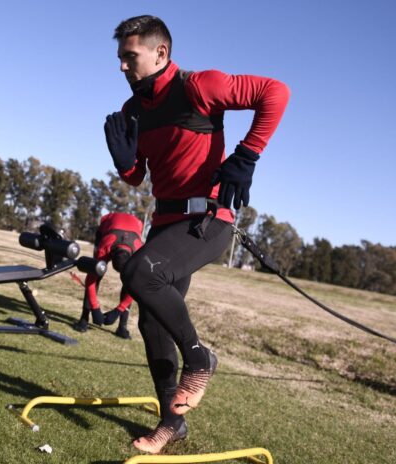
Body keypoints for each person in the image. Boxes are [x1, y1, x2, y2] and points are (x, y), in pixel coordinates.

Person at [104, 15, 290, 454]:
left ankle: (200, 357)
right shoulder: (133, 110)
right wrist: (123, 161)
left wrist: (248, 154)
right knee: (151, 319)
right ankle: (173, 423)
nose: (122, 68)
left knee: (139, 272)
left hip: (208, 220)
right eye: (120, 60)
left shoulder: (199, 86)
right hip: (167, 223)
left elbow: (275, 92)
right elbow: (137, 178)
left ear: (160, 53)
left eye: (130, 58)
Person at [73, 212, 144, 339]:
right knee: (96, 273)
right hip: (108, 225)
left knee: (130, 282)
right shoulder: (104, 248)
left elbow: (135, 286)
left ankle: (122, 327)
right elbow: (90, 280)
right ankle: (83, 319)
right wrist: (95, 308)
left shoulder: (139, 252)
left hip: (135, 225)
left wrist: (119, 310)